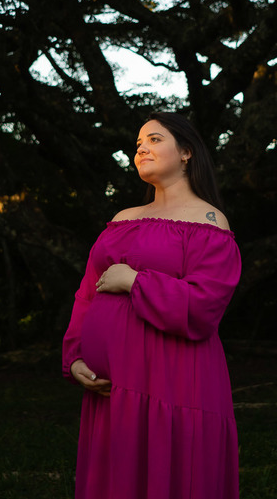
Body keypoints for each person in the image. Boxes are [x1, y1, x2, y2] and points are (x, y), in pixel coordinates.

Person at [62, 111, 242, 499]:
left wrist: (135, 281)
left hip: (175, 381)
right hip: (111, 390)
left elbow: (205, 304)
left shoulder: (209, 221)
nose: (142, 148)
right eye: (138, 144)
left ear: (187, 152)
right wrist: (75, 356)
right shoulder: (122, 219)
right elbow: (87, 296)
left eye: (155, 140)